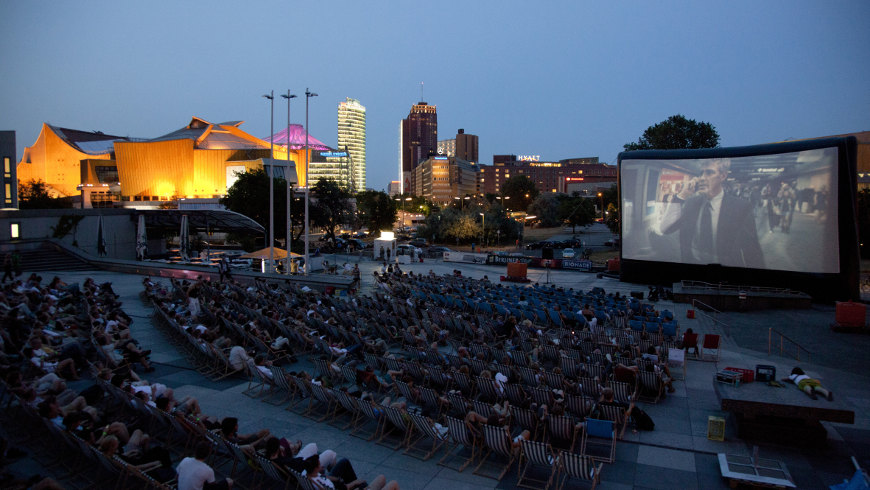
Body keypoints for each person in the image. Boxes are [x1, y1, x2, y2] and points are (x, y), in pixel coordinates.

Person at [659, 158, 764, 268]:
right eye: (701, 173)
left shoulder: (741, 207)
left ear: (723, 176)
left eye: (709, 172)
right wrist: (681, 196)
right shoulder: (691, 203)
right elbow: (665, 229)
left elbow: (752, 250)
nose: (703, 178)